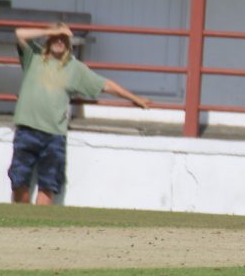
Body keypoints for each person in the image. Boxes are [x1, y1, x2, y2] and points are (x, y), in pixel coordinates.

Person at [8, 22, 151, 205]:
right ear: (48, 39)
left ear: (69, 44)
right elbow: (19, 34)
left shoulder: (75, 68)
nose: (59, 41)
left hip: (54, 136)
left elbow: (105, 85)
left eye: (63, 38)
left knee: (48, 187)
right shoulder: (33, 56)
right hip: (27, 130)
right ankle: (21, 219)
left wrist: (135, 98)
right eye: (56, 37)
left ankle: (37, 222)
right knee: (18, 182)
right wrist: (52, 30)